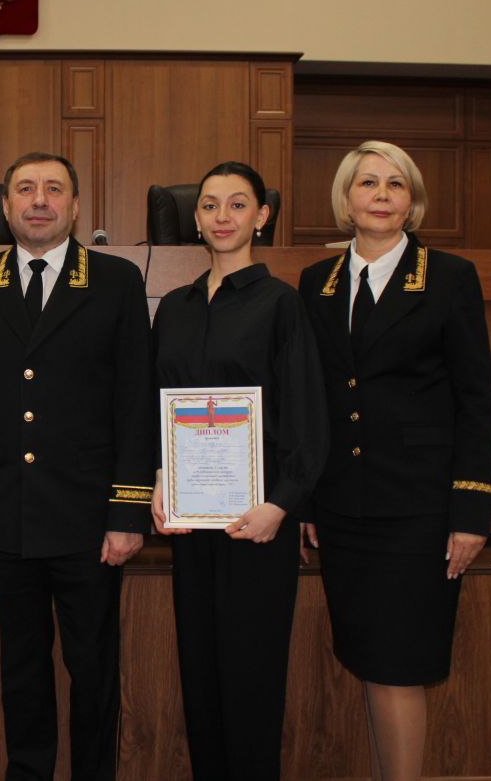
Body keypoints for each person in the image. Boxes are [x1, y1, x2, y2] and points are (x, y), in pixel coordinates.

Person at [0, 152, 154, 780]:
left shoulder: (116, 280)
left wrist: (127, 511)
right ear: (5, 206)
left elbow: (135, 401)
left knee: (94, 669)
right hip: (7, 514)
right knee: (22, 668)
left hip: (90, 520)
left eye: (54, 189)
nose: (40, 200)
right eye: (26, 189)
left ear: (76, 205)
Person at [297, 141, 491, 781]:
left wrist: (470, 512)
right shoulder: (317, 282)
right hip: (344, 507)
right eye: (367, 183)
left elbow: (476, 400)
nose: (381, 194)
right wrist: (309, 500)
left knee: (399, 667)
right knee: (369, 660)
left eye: (395, 184)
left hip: (418, 509)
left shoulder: (450, 277)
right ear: (345, 199)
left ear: (412, 202)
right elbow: (316, 399)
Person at [150, 161, 328, 780]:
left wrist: (281, 505)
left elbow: (306, 415)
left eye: (236, 204)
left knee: (251, 681)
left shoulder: (282, 305)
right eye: (209, 205)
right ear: (195, 219)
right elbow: (156, 405)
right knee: (200, 675)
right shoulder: (174, 308)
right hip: (191, 522)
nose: (221, 216)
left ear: (262, 215)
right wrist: (159, 478)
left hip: (259, 523)